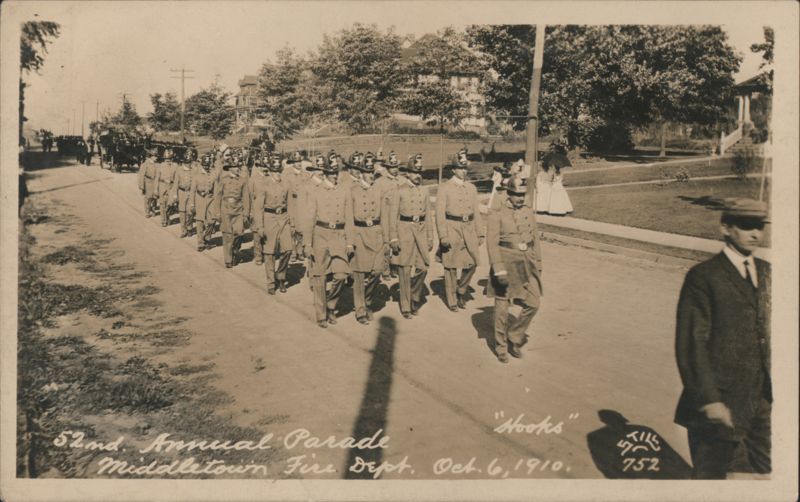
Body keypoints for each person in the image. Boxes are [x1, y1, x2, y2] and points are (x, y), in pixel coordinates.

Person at [674, 198, 771, 479]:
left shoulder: (767, 273)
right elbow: (691, 343)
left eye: (759, 227)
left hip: (762, 403)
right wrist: (709, 399)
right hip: (719, 405)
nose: (755, 234)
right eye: (746, 226)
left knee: (766, 479)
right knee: (714, 481)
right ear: (726, 228)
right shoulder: (704, 277)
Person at [485, 177, 543, 363]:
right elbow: (492, 244)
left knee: (533, 303)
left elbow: (535, 239)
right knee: (502, 308)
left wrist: (538, 262)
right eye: (516, 195)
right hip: (507, 262)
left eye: (522, 195)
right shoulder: (497, 214)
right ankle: (501, 346)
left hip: (527, 262)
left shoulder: (528, 211)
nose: (520, 198)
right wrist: (498, 268)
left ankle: (515, 335)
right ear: (508, 194)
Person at [300, 155, 351, 328]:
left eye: (336, 172)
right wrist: (307, 243)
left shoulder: (344, 191)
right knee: (320, 277)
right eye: (331, 173)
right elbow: (309, 219)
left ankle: (331, 305)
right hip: (320, 235)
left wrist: (350, 242)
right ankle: (321, 314)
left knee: (341, 275)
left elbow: (349, 219)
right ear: (325, 173)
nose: (334, 176)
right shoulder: (316, 192)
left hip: (339, 236)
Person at [436, 149, 484, 312]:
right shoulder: (445, 188)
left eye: (465, 168)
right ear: (454, 170)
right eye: (460, 168)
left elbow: (476, 211)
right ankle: (452, 300)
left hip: (469, 228)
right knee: (450, 266)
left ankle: (461, 289)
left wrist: (480, 231)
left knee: (472, 262)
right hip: (452, 228)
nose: (464, 171)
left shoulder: (471, 188)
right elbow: (439, 214)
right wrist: (443, 235)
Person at [345, 151, 388, 324]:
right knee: (360, 274)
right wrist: (349, 242)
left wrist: (387, 239)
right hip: (359, 234)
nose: (371, 176)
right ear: (361, 173)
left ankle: (368, 300)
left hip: (376, 233)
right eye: (368, 173)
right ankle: (360, 309)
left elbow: (385, 216)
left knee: (377, 271)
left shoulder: (379, 190)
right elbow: (348, 218)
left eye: (373, 173)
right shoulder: (352, 191)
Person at [389, 154, 433, 318]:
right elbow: (392, 216)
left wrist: (430, 237)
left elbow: (428, 214)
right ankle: (406, 306)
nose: (417, 176)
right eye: (414, 172)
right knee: (405, 270)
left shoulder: (425, 190)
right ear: (407, 173)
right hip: (404, 232)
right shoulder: (398, 191)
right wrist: (393, 238)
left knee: (423, 267)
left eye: (419, 172)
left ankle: (414, 295)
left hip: (420, 233)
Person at [252, 154, 293, 294]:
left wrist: (292, 223)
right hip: (269, 218)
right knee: (269, 252)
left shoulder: (286, 183)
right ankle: (271, 283)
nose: (277, 173)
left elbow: (291, 204)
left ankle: (280, 276)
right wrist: (260, 226)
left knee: (288, 249)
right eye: (274, 171)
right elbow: (258, 207)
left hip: (284, 217)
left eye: (279, 170)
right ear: (269, 170)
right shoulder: (263, 185)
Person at [213, 152, 251, 268]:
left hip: (238, 209)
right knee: (227, 235)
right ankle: (228, 259)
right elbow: (218, 196)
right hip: (226, 209)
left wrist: (246, 213)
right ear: (230, 168)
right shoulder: (223, 179)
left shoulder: (243, 180)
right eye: (234, 167)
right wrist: (217, 212)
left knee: (239, 232)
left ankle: (235, 249)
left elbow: (245, 197)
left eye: (238, 166)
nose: (237, 169)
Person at [284, 151, 311, 261]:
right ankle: (293, 252)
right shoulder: (286, 174)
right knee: (291, 227)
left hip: (302, 203)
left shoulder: (305, 174)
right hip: (291, 202)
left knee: (301, 228)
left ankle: (300, 251)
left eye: (300, 161)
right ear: (292, 162)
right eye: (296, 161)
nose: (299, 163)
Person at [189, 153, 217, 251]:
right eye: (205, 165)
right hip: (200, 199)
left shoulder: (213, 173)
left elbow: (216, 187)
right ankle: (200, 243)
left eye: (208, 165)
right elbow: (192, 190)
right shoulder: (196, 175)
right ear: (202, 165)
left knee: (212, 220)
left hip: (210, 199)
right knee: (200, 221)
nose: (206, 167)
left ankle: (207, 238)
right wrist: (192, 203)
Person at [171, 149, 195, 238]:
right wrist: (175, 194)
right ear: (184, 162)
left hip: (190, 193)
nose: (188, 164)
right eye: (186, 162)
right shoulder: (179, 170)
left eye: (189, 162)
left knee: (190, 212)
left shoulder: (194, 170)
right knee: (182, 212)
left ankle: (189, 228)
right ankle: (183, 230)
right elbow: (176, 183)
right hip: (181, 192)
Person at [155, 147, 178, 227]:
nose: (168, 161)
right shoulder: (160, 166)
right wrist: (155, 189)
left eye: (170, 159)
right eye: (166, 159)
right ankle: (163, 220)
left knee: (170, 204)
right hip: (162, 186)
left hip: (171, 187)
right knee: (162, 204)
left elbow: (176, 179)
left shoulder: (175, 166)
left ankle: (167, 216)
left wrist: (175, 190)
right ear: (164, 159)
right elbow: (156, 178)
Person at [138, 148, 159, 218]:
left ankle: (153, 210)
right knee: (148, 198)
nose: (156, 158)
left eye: (156, 156)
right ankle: (147, 211)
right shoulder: (145, 164)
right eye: (155, 156)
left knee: (154, 197)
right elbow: (141, 175)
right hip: (148, 183)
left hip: (155, 182)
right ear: (151, 156)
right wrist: (141, 185)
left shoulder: (157, 165)